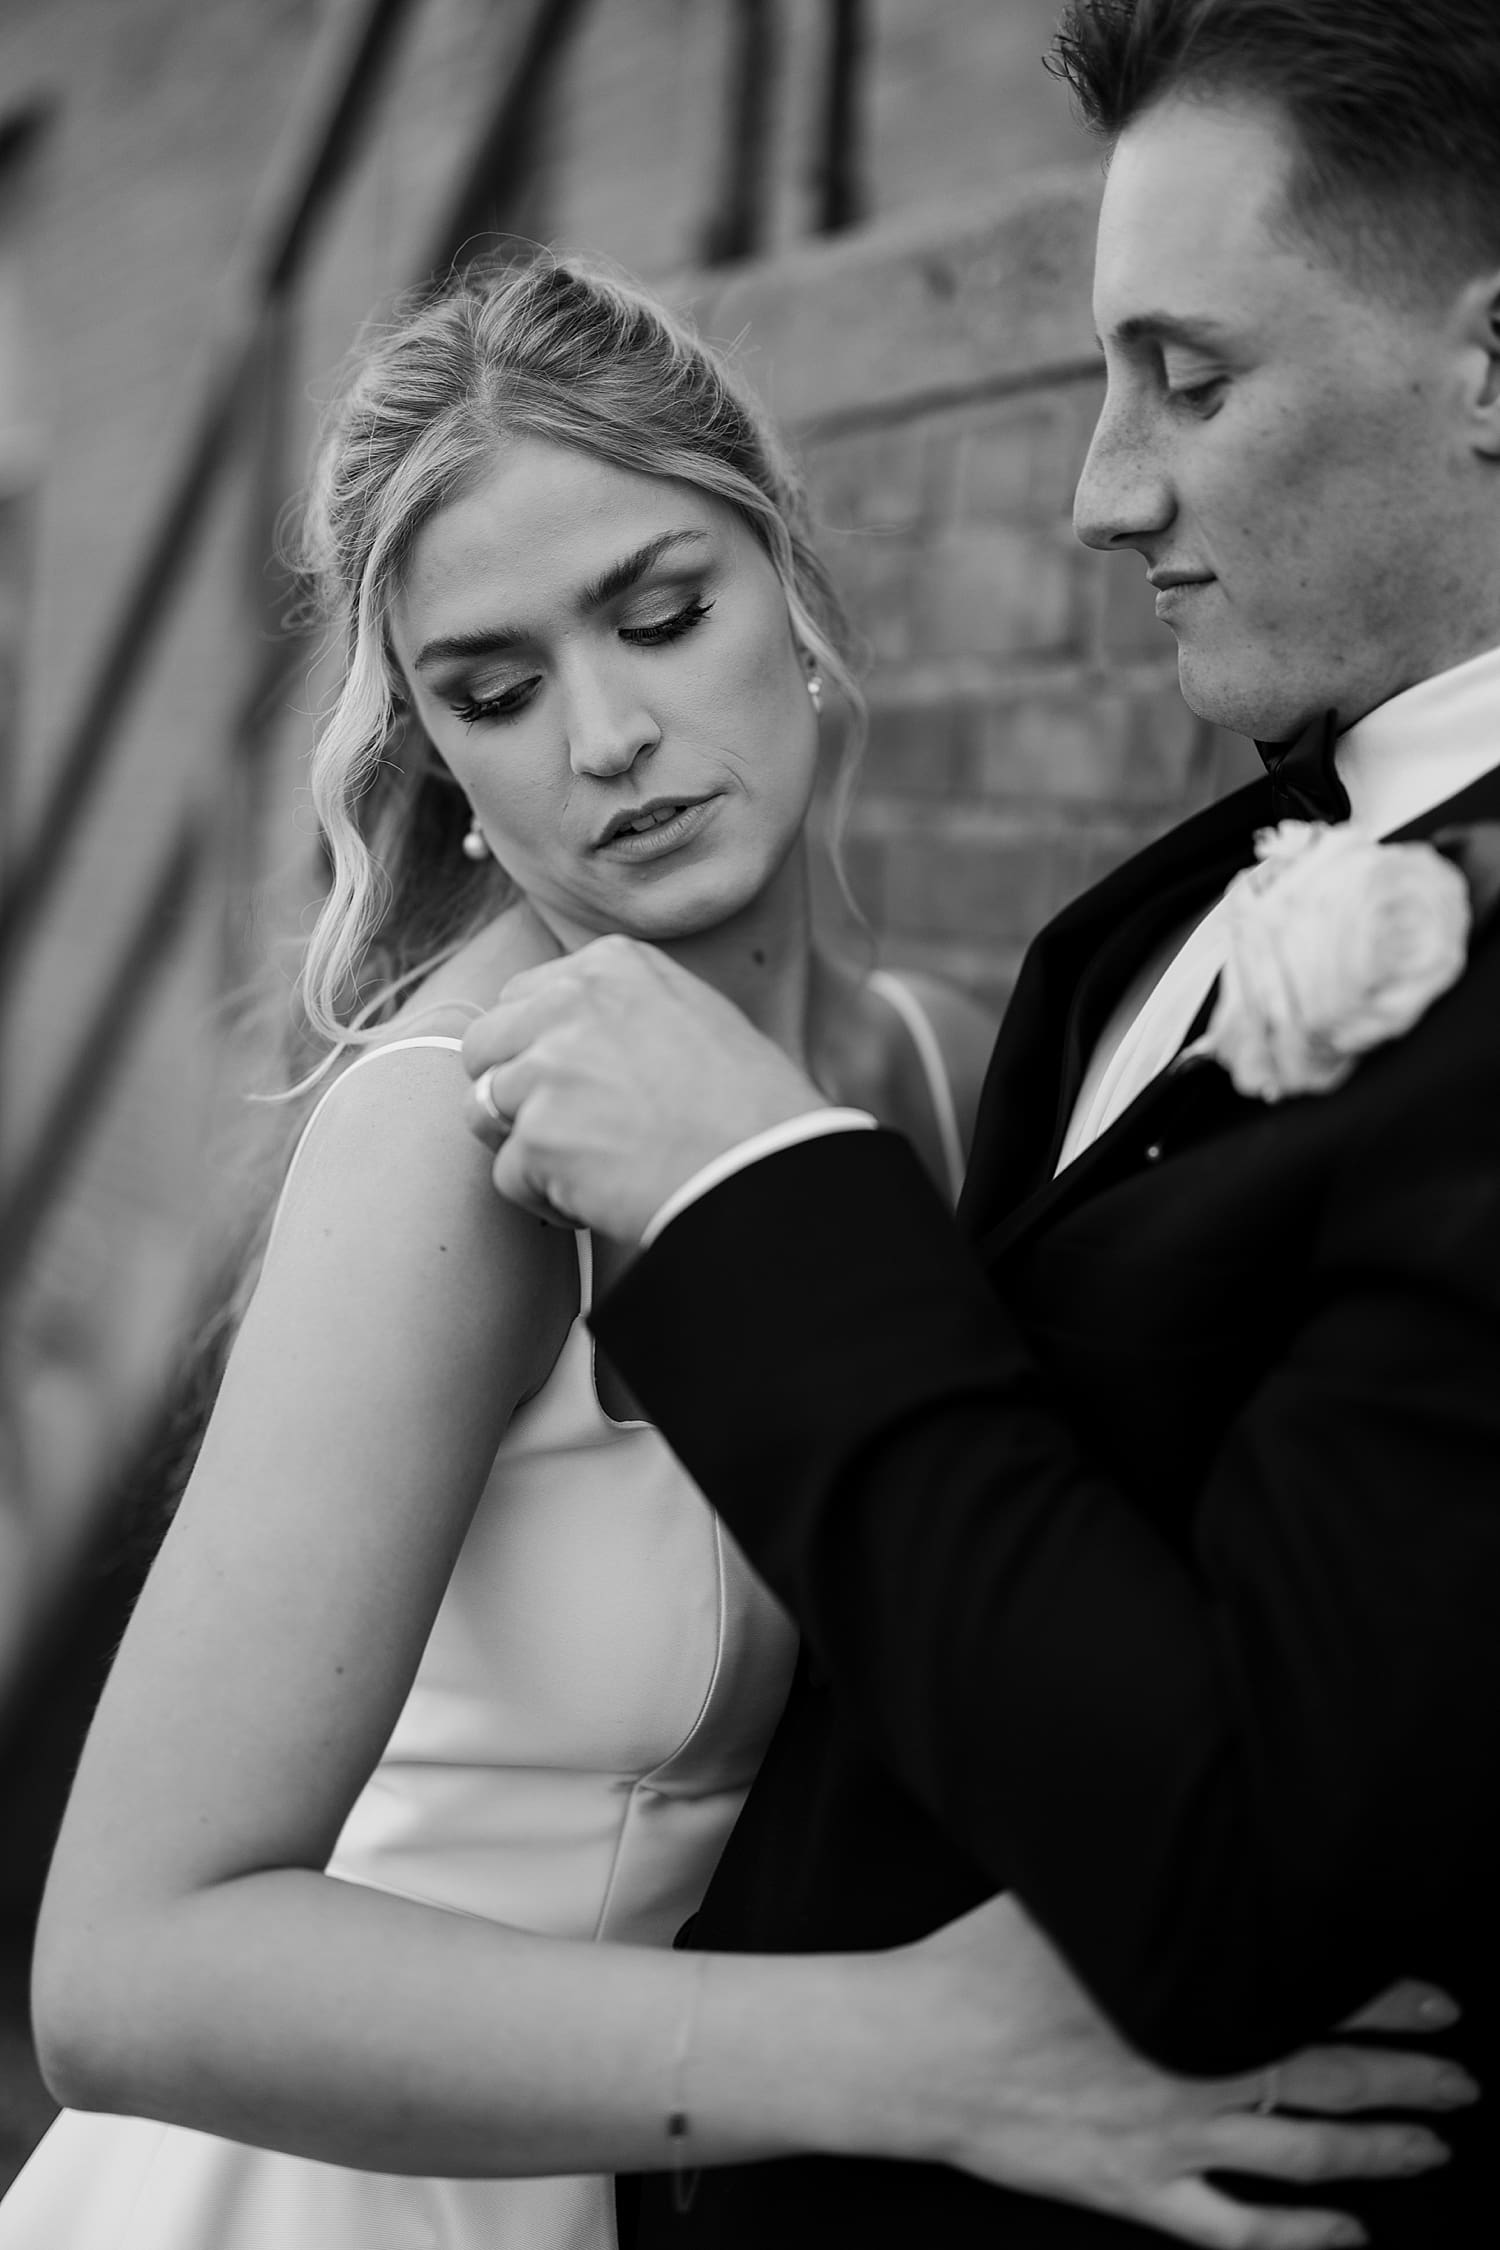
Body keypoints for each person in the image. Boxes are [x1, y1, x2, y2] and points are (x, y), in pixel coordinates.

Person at [0, 251, 1448, 2250]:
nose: (606, 735)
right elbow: (120, 1973)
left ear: (791, 587)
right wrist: (927, 2055)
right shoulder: (454, 1133)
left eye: (661, 615)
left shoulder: (940, 1063)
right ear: (441, 767)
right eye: (494, 692)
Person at [455, 3, 1500, 2244]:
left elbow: (1243, 1850)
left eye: (1188, 379)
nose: (1102, 490)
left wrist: (746, 1198)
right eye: (496, 685)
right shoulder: (1146, 920)